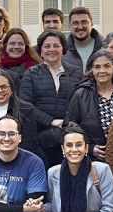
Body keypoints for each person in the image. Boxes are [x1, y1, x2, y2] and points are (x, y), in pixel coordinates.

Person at [19, 30, 82, 167]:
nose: (51, 49)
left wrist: (66, 123)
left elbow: (79, 102)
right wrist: (51, 121)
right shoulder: (31, 74)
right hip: (40, 137)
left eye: (56, 45)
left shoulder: (76, 72)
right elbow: (25, 105)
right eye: (47, 46)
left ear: (63, 49)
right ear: (40, 50)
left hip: (68, 135)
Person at [65, 50, 113, 160]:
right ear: (92, 70)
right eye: (97, 67)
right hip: (95, 159)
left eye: (107, 66)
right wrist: (90, 148)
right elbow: (70, 126)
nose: (102, 71)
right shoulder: (80, 94)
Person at [62, 7, 104, 74]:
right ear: (70, 26)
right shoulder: (62, 51)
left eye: (84, 22)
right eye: (75, 23)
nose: (80, 27)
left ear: (92, 24)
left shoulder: (105, 48)